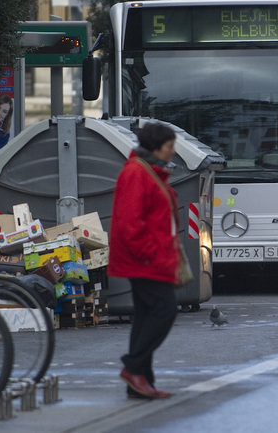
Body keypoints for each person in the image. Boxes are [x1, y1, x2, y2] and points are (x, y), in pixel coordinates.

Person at [108, 122, 180, 399]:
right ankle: (134, 367)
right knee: (164, 309)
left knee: (146, 315)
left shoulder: (147, 171)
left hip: (148, 257)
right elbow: (131, 222)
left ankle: (140, 382)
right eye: (169, 147)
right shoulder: (138, 173)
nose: (172, 152)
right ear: (156, 147)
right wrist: (150, 253)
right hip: (145, 259)